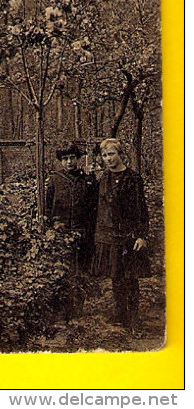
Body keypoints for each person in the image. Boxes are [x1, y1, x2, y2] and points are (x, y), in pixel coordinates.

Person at [92, 138, 150, 336]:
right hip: (110, 236)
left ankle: (134, 321)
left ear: (120, 154)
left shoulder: (133, 179)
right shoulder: (103, 180)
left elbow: (141, 209)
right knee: (116, 277)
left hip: (129, 237)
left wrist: (141, 235)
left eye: (111, 154)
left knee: (130, 279)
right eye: (105, 155)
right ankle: (121, 317)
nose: (108, 159)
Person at [45, 142, 99, 273]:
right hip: (61, 231)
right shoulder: (55, 180)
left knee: (83, 268)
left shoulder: (85, 180)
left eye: (72, 158)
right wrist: (51, 225)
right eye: (65, 159)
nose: (69, 161)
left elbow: (94, 206)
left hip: (83, 232)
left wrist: (92, 180)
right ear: (60, 160)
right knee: (63, 268)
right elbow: (48, 206)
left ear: (78, 158)